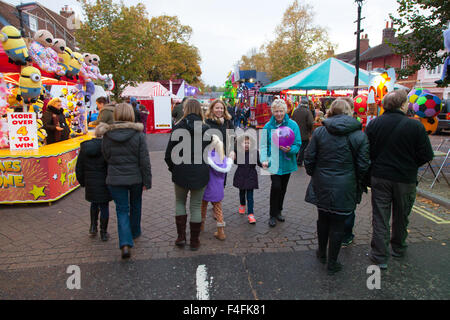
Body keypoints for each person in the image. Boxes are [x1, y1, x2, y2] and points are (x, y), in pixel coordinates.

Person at [365, 90, 433, 270]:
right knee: (402, 216)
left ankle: (379, 255)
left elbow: (367, 152)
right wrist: (411, 164)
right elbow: (427, 154)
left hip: (380, 177)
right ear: (402, 105)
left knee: (380, 216)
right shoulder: (415, 126)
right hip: (405, 178)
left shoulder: (374, 125)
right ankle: (398, 248)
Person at [304, 98, 370, 275]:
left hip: (322, 183)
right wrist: (356, 180)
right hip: (346, 185)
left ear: (331, 111)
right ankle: (332, 262)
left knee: (323, 219)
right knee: (338, 224)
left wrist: (315, 174)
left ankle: (321, 252)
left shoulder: (320, 132)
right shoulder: (359, 135)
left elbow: (309, 158)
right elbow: (363, 164)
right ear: (349, 112)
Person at [96, 103, 152, 259]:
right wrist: (147, 181)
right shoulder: (139, 135)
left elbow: (106, 155)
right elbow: (144, 160)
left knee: (121, 209)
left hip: (115, 177)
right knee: (136, 204)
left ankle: (125, 243)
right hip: (135, 177)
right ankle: (135, 231)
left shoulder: (107, 135)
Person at [165, 98, 211, 251]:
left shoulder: (178, 128)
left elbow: (168, 154)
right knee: (196, 206)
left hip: (181, 171)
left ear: (185, 110)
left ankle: (181, 237)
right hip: (200, 172)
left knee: (180, 203)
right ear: (200, 110)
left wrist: (174, 168)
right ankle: (194, 241)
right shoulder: (206, 129)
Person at [260, 99, 301, 227]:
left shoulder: (293, 125)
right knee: (276, 187)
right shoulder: (268, 126)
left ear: (285, 111)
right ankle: (272, 214)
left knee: (283, 188)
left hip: (287, 162)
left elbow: (297, 143)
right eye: (276, 111)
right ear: (273, 112)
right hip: (274, 162)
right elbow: (263, 145)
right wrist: (264, 159)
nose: (278, 114)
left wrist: (291, 150)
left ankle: (279, 211)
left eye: (281, 111)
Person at [75, 127, 112, 241]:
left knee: (94, 204)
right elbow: (111, 167)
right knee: (104, 206)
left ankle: (93, 227)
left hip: (90, 182)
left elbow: (79, 167)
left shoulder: (85, 147)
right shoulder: (107, 148)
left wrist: (82, 181)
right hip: (104, 182)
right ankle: (103, 232)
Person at [201, 135, 233, 240]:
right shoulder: (223, 159)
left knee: (203, 208)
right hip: (218, 189)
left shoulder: (208, 156)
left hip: (206, 187)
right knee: (218, 210)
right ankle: (221, 232)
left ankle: (200, 227)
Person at [233, 133, 262, 224]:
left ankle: (251, 214)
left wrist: (265, 164)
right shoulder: (238, 152)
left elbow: (259, 163)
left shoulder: (254, 152)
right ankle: (242, 204)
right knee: (241, 193)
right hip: (241, 175)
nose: (246, 145)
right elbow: (235, 161)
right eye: (244, 143)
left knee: (250, 196)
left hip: (251, 176)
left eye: (248, 143)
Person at [205, 99, 236, 169]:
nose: (220, 110)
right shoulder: (207, 122)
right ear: (212, 109)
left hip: (224, 156)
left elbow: (232, 137)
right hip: (211, 157)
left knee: (222, 178)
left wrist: (232, 150)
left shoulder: (227, 122)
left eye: (222, 108)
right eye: (217, 108)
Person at [292, 102, 314, 166]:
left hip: (295, 133)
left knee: (296, 146)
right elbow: (310, 123)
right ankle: (299, 161)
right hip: (304, 133)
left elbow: (292, 121)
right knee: (303, 148)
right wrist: (310, 131)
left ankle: (294, 160)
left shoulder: (295, 111)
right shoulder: (308, 112)